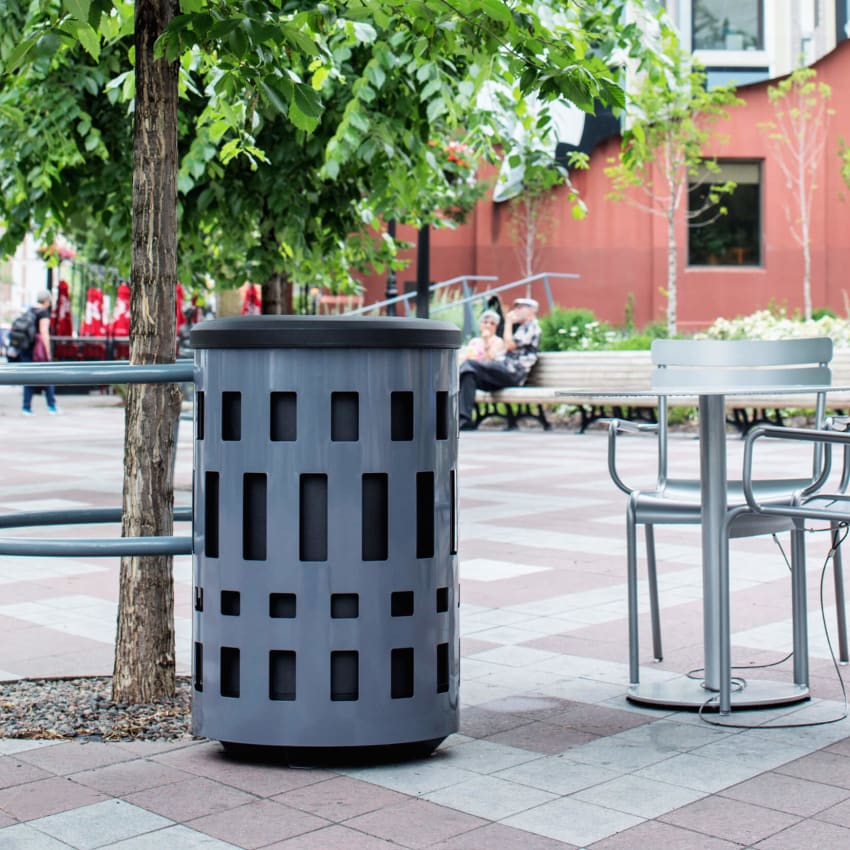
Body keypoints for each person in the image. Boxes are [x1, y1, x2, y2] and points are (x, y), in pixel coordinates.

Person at [458, 297, 541, 430]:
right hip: (503, 371)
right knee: (468, 374)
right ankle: (464, 420)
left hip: (512, 373)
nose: (516, 311)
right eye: (516, 307)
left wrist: (508, 322)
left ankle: (453, 415)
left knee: (469, 365)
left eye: (520, 308)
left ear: (531, 310)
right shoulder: (522, 328)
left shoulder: (532, 326)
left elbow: (509, 345)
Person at [21, 290, 60, 417]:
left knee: (28, 378)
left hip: (27, 349)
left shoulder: (29, 310)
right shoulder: (43, 312)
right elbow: (44, 332)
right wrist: (48, 352)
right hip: (38, 351)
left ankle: (26, 407)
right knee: (48, 376)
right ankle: (52, 406)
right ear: (47, 301)